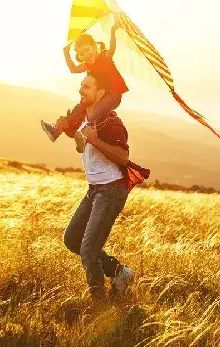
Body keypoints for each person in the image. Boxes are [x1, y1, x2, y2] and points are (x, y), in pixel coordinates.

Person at [59, 74, 150, 303]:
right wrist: (69, 131)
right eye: (81, 85)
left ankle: (98, 305)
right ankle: (120, 272)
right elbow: (84, 148)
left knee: (89, 250)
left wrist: (96, 140)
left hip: (111, 190)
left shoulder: (111, 121)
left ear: (101, 93)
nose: (81, 89)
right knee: (72, 239)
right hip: (94, 190)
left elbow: (123, 156)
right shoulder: (85, 118)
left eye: (87, 86)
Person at [41, 17, 130, 152]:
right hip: (99, 96)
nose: (86, 55)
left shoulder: (104, 57)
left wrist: (113, 30)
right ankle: (56, 130)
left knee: (93, 114)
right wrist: (66, 53)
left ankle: (83, 138)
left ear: (94, 46)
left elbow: (112, 49)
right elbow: (73, 69)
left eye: (87, 50)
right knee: (79, 108)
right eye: (82, 54)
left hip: (113, 95)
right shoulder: (88, 65)